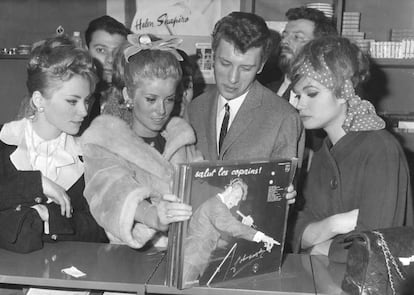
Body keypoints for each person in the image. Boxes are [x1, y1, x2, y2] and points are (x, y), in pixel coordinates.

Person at [290, 36, 414, 257]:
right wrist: (335, 224)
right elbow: (298, 230)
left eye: (311, 93)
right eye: (298, 95)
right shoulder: (323, 152)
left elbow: (374, 247)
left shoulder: (381, 150)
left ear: (343, 92)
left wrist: (318, 246)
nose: (299, 104)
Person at [81, 34, 203, 249]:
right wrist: (154, 216)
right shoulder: (105, 141)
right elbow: (112, 192)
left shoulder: (181, 138)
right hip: (131, 258)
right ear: (128, 95)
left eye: (169, 99)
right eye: (151, 99)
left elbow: (206, 185)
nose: (161, 110)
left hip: (188, 254)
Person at [0, 35, 108, 253]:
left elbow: (100, 231)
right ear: (39, 100)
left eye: (87, 100)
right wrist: (36, 184)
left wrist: (49, 217)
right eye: (72, 101)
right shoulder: (5, 141)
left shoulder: (88, 156)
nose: (84, 111)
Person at [187, 11, 304, 163]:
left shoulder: (284, 118)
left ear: (261, 66)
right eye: (225, 63)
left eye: (246, 68)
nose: (233, 78)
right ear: (214, 56)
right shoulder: (194, 109)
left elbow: (283, 185)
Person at [183, 178, 278, 285]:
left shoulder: (218, 206)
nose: (235, 202)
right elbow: (231, 226)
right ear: (229, 189)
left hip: (198, 258)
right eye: (236, 197)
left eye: (238, 200)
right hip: (193, 258)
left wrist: (243, 225)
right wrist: (261, 236)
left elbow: (224, 235)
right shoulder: (216, 205)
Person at [266, 7, 337, 104]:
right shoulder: (267, 90)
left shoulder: (329, 95)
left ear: (320, 46)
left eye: (297, 37)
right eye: (284, 36)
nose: (284, 42)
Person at [79, 15, 130, 133]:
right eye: (101, 50)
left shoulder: (129, 98)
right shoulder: (69, 93)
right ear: (86, 51)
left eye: (117, 52)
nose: (110, 59)